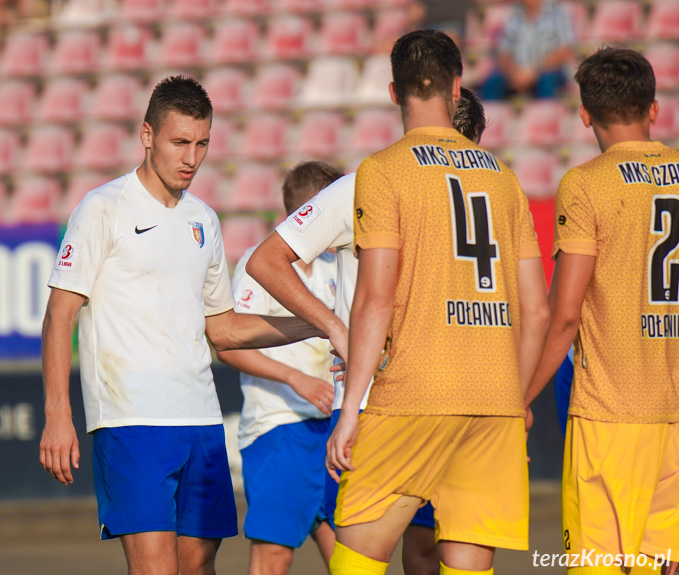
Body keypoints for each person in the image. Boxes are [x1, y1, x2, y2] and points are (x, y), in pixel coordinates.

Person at [38, 75, 325, 575]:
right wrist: (58, 413)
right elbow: (59, 316)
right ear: (147, 135)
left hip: (201, 419)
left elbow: (225, 329)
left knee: (197, 566)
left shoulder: (204, 220)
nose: (191, 158)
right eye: (179, 142)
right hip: (131, 420)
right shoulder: (102, 209)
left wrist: (317, 325)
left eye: (202, 144)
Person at [324, 29, 550, 575]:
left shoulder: (382, 171)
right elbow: (537, 312)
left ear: (393, 91)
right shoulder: (504, 179)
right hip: (494, 397)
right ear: (457, 87)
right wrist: (514, 402)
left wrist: (350, 409)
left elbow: (375, 300)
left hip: (414, 392)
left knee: (355, 558)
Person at [246, 86, 487, 575]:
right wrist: (337, 328)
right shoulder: (374, 184)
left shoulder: (485, 192)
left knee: (411, 549)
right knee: (398, 551)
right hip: (392, 402)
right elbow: (265, 263)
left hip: (431, 400)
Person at [523, 47, 678, 575]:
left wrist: (520, 397)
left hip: (610, 415)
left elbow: (564, 316)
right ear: (654, 109)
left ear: (585, 113)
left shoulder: (586, 184)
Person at [217, 161, 343, 575]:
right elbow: (229, 346)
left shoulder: (333, 266)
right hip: (279, 427)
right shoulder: (260, 265)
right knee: (273, 556)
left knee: (348, 553)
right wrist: (296, 378)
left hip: (331, 429)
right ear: (307, 213)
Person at [481, 0, 575, 101]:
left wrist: (534, 72)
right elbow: (503, 51)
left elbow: (566, 50)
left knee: (546, 80)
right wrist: (514, 73)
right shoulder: (514, 15)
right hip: (517, 71)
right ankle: (490, 116)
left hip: (548, 70)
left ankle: (545, 115)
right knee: (492, 82)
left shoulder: (558, 14)